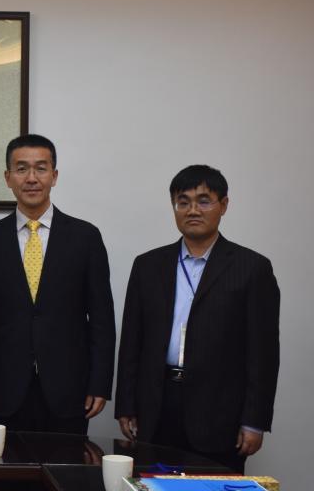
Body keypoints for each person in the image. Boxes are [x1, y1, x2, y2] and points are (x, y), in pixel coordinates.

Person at [114, 165, 280, 474]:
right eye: (183, 201)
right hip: (157, 405)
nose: (193, 210)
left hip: (219, 412)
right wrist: (126, 405)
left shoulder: (252, 268)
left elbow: (263, 354)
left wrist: (254, 421)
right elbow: (132, 342)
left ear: (223, 205)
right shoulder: (148, 265)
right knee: (153, 485)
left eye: (204, 201)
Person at [0, 134, 115, 434]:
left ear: (54, 176)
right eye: (21, 169)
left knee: (67, 463)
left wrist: (100, 383)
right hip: (4, 387)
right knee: (5, 465)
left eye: (41, 168)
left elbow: (101, 319)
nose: (31, 178)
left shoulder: (85, 237)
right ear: (8, 177)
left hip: (69, 387)